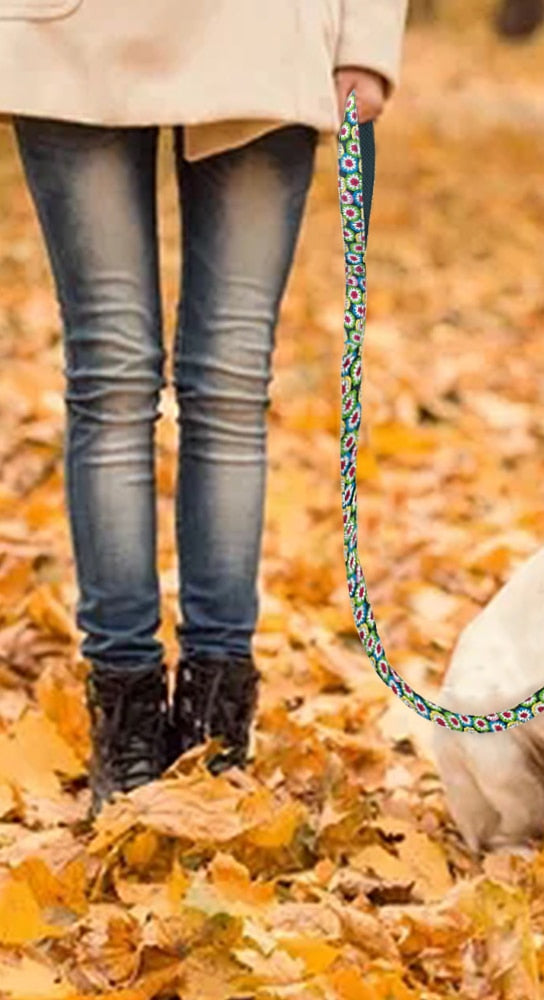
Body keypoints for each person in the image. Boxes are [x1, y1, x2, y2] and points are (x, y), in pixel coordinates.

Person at [0, 0, 408, 810]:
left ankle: (217, 728)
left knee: (228, 387)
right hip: (67, 27)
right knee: (111, 381)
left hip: (265, 28)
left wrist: (366, 39)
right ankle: (126, 719)